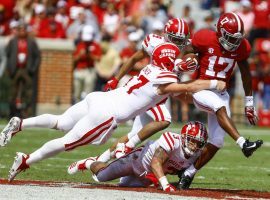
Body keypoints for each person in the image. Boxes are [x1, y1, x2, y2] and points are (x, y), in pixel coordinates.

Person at [0, 43, 225, 182]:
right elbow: (186, 88)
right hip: (107, 114)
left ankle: (21, 124)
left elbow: (169, 69)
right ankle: (26, 160)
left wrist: (180, 65)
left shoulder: (153, 67)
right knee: (66, 142)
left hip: (100, 98)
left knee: (60, 122)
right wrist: (214, 83)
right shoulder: (165, 78)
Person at [177, 12, 263, 189]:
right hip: (201, 88)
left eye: (237, 39)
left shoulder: (242, 47)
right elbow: (187, 50)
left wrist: (249, 103)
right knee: (218, 106)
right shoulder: (204, 37)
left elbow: (246, 73)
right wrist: (190, 58)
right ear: (220, 32)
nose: (235, 43)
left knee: (217, 141)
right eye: (231, 38)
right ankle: (243, 143)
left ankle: (188, 173)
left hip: (221, 93)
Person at [97, 18, 197, 162]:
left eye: (181, 40)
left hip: (164, 93)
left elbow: (196, 54)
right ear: (166, 35)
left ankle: (99, 160)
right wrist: (116, 78)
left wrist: (193, 61)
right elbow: (133, 59)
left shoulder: (186, 45)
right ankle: (128, 146)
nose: (178, 44)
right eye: (174, 39)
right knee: (165, 119)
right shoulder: (155, 43)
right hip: (151, 91)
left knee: (134, 133)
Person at [67, 121, 208, 192]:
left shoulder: (197, 155)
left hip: (149, 176)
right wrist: (165, 185)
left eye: (198, 143)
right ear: (183, 137)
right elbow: (155, 162)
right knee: (101, 176)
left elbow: (186, 174)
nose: (194, 146)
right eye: (192, 141)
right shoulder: (172, 139)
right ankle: (88, 162)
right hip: (136, 160)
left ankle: (120, 154)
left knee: (124, 186)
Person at [5, 22, 41, 118]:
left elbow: (37, 56)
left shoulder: (31, 41)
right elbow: (7, 55)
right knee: (13, 92)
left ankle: (27, 113)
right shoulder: (12, 41)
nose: (22, 32)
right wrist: (9, 68)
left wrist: (33, 68)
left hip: (27, 69)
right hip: (15, 69)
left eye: (24, 29)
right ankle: (12, 113)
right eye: (20, 30)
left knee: (28, 92)